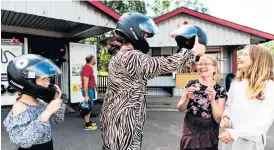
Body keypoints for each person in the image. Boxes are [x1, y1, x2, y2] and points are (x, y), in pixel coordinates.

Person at [99, 12, 206, 150]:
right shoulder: (130, 57)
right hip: (123, 127)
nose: (146, 38)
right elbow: (161, 65)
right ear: (133, 31)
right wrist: (192, 52)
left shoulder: (119, 55)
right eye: (145, 34)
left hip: (115, 122)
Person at [3, 54, 65, 150]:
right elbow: (24, 141)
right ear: (28, 81)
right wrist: (47, 113)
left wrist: (56, 101)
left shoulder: (40, 102)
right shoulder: (20, 106)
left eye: (48, 78)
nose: (48, 83)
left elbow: (57, 120)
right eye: (44, 79)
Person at [219, 45, 274, 150]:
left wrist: (235, 133)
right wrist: (225, 116)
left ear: (257, 60)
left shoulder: (268, 85)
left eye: (245, 55)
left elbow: (264, 119)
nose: (240, 57)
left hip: (250, 141)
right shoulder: (236, 83)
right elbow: (229, 105)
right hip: (230, 137)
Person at [177, 55, 227, 150]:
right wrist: (186, 98)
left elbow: (218, 119)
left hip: (210, 128)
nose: (202, 67)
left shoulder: (220, 90)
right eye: (200, 64)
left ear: (215, 68)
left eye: (206, 64)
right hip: (190, 125)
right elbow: (180, 108)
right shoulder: (191, 84)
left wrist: (212, 100)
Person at [81, 54, 97, 130]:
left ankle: (88, 121)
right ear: (92, 60)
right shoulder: (88, 68)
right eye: (95, 59)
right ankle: (87, 125)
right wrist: (86, 95)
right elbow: (85, 82)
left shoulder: (89, 67)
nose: (96, 60)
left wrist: (95, 84)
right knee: (88, 107)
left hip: (90, 89)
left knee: (89, 106)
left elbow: (90, 79)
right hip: (88, 90)